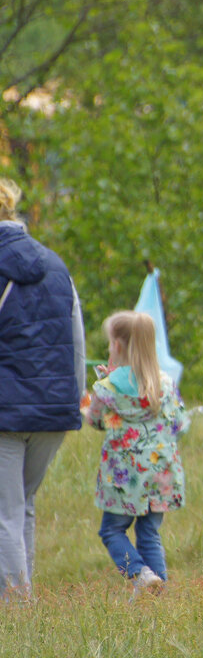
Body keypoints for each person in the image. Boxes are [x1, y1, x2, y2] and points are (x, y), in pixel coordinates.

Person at [0, 177, 85, 602]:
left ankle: (15, 608)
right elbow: (77, 339)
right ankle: (25, 599)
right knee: (23, 507)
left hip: (6, 411)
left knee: (5, 513)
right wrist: (75, 400)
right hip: (54, 408)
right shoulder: (55, 264)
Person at [84, 311, 187, 597]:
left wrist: (107, 385)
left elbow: (94, 420)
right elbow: (180, 423)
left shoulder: (107, 388)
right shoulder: (164, 383)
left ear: (117, 346)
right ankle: (157, 594)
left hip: (125, 476)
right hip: (161, 472)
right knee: (149, 534)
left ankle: (141, 575)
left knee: (112, 531)